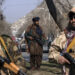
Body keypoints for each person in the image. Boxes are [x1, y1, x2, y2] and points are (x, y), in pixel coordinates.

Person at [48, 6, 75, 75]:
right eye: (71, 17)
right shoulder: (64, 36)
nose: (73, 20)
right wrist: (58, 58)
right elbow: (52, 52)